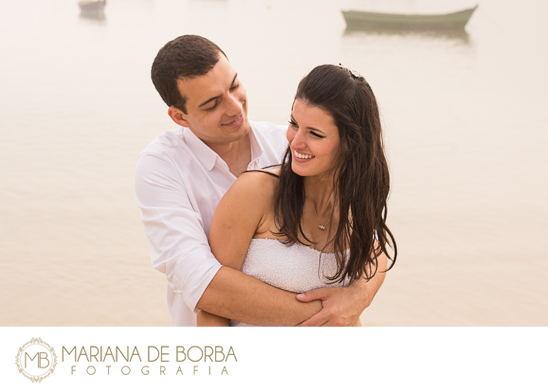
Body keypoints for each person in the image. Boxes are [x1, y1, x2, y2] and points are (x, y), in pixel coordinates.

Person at [135, 35, 386, 327]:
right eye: (213, 104)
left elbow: (372, 239)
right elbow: (204, 286)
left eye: (234, 86)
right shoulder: (161, 167)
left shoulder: (292, 143)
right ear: (180, 117)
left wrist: (360, 294)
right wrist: (331, 317)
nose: (234, 108)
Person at [196, 63, 396, 326]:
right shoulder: (255, 192)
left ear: (351, 143)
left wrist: (360, 293)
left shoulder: (356, 207)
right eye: (294, 123)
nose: (295, 141)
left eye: (315, 134)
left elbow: (378, 248)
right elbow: (211, 310)